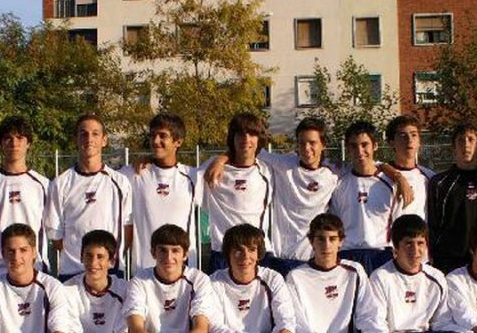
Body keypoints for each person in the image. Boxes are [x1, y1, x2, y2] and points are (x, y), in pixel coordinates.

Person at [205, 117, 339, 276]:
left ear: (323, 144)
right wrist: (221, 160)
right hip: (280, 257)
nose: (306, 148)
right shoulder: (282, 164)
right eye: (301, 143)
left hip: (313, 258)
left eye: (312, 143)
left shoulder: (335, 173)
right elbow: (248, 148)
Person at [45, 114, 133, 279]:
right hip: (72, 273)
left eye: (95, 134)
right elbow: (56, 235)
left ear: (104, 140)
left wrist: (107, 259)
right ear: (76, 140)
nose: (89, 139)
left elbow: (128, 228)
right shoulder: (60, 183)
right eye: (83, 134)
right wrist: (79, 260)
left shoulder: (120, 182)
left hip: (110, 272)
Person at [123, 113, 203, 273]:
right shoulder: (134, 173)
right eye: (152, 135)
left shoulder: (192, 177)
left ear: (178, 141)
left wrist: (222, 159)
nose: (155, 141)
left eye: (162, 136)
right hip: (144, 274)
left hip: (181, 273)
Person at [0, 116, 49, 281]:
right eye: (8, 138)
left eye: (20, 138)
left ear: (28, 143)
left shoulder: (43, 184)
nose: (14, 143)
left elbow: (48, 226)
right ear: (1, 143)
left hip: (33, 269)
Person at [201, 113, 274, 273]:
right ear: (232, 138)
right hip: (222, 253)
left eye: (252, 134)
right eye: (240, 134)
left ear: (259, 139)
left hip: (256, 253)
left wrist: (223, 157)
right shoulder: (212, 167)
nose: (246, 139)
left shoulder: (268, 170)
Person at [328, 121, 401, 274]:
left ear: (375, 146)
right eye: (353, 146)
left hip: (381, 254)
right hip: (347, 254)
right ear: (347, 148)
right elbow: (335, 223)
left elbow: (397, 223)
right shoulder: (339, 182)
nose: (359, 151)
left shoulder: (391, 183)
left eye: (364, 145)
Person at [427, 123, 477, 273]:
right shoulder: (440, 183)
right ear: (453, 146)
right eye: (460, 140)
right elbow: (433, 223)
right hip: (448, 260)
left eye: (471, 139)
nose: (466, 144)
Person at [385, 115, 434, 219]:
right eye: (403, 135)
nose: (409, 140)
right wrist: (398, 177)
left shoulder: (430, 177)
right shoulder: (381, 175)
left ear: (419, 142)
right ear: (391, 142)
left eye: (414, 135)